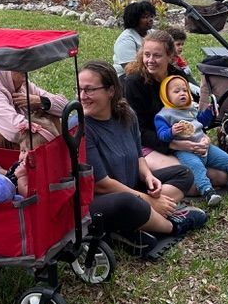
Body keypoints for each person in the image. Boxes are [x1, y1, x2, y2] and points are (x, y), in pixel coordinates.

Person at [80, 61, 207, 258]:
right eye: (79, 89)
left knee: (184, 173)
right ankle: (173, 225)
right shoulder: (83, 128)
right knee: (128, 202)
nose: (82, 96)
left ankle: (134, 225)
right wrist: (148, 199)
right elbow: (101, 185)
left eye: (89, 90)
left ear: (111, 91)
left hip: (133, 187)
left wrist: (148, 176)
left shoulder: (126, 114)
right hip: (103, 201)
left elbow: (138, 153)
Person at [124, 30, 228, 195]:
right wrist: (176, 144)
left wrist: (202, 136)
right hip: (146, 144)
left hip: (179, 139)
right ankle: (144, 179)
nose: (150, 60)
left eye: (157, 56)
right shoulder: (133, 83)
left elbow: (189, 114)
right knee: (193, 183)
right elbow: (138, 131)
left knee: (222, 176)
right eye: (147, 54)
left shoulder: (177, 76)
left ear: (170, 56)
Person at [154, 75, 228, 207]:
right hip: (186, 152)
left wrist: (209, 111)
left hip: (206, 147)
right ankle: (208, 191)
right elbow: (161, 135)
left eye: (185, 90)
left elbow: (202, 122)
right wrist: (172, 131)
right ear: (166, 95)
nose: (182, 93)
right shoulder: (163, 115)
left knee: (227, 160)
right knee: (197, 168)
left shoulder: (190, 108)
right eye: (176, 91)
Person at [0, 70, 68, 148]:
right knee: (20, 129)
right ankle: (56, 155)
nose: (25, 66)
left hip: (9, 144)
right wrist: (40, 126)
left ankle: (61, 154)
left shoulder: (23, 85)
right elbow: (15, 132)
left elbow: (66, 108)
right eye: (16, 64)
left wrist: (40, 101)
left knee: (48, 109)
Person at [5, 113, 60, 197]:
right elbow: (7, 180)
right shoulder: (17, 165)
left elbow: (30, 197)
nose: (25, 157)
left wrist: (22, 177)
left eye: (33, 153)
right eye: (23, 151)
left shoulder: (47, 173)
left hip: (23, 206)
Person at [112, 1, 156, 80]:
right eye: (145, 17)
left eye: (151, 16)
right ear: (134, 20)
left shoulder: (153, 33)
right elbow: (130, 70)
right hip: (126, 79)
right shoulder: (125, 39)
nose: (150, 20)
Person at [165, 26, 200, 96]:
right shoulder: (166, 59)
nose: (181, 47)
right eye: (178, 44)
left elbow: (183, 65)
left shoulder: (176, 57)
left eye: (182, 44)